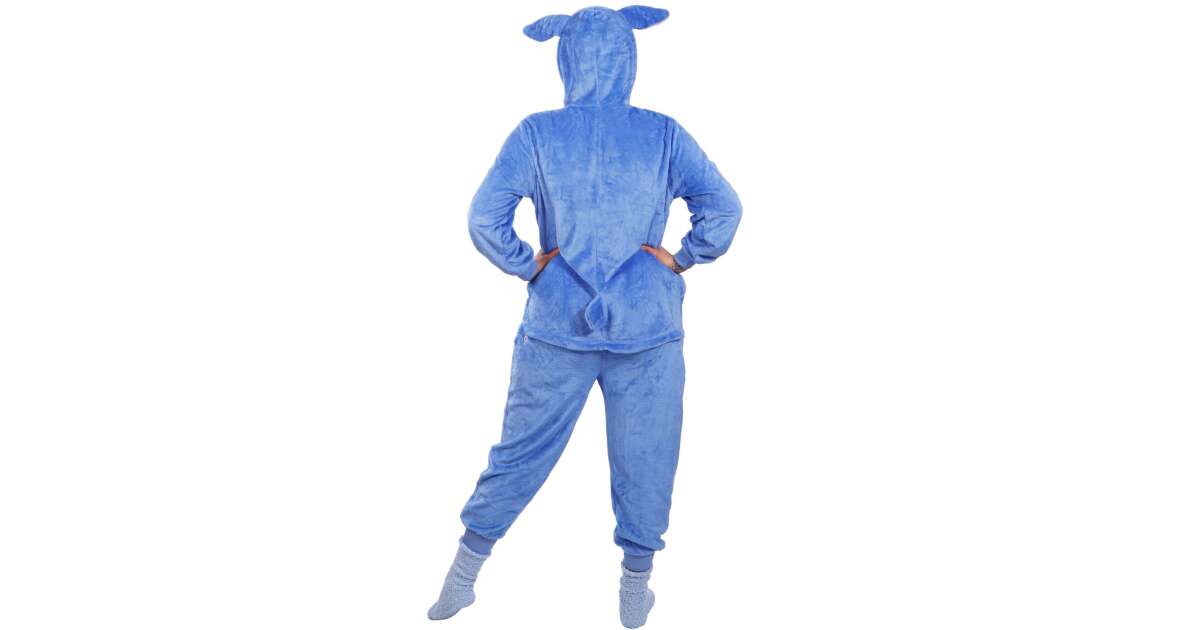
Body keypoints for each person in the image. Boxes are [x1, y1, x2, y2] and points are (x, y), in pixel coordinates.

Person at [428, 6, 741, 628]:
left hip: (557, 324)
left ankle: (461, 578)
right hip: (647, 326)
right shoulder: (662, 133)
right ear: (629, 57)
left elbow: (483, 219)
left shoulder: (537, 133)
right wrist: (681, 258)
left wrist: (528, 264)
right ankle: (634, 591)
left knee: (520, 453)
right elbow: (724, 208)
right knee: (648, 457)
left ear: (565, 59)